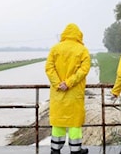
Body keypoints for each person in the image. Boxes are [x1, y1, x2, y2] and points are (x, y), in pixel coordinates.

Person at [45, 23, 91, 154]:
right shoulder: (82, 50)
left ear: (64, 34)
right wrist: (69, 83)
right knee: (74, 123)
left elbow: (49, 68)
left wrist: (58, 83)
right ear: (78, 35)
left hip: (58, 93)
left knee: (58, 123)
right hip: (74, 93)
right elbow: (84, 70)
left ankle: (55, 149)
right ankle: (76, 150)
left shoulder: (55, 49)